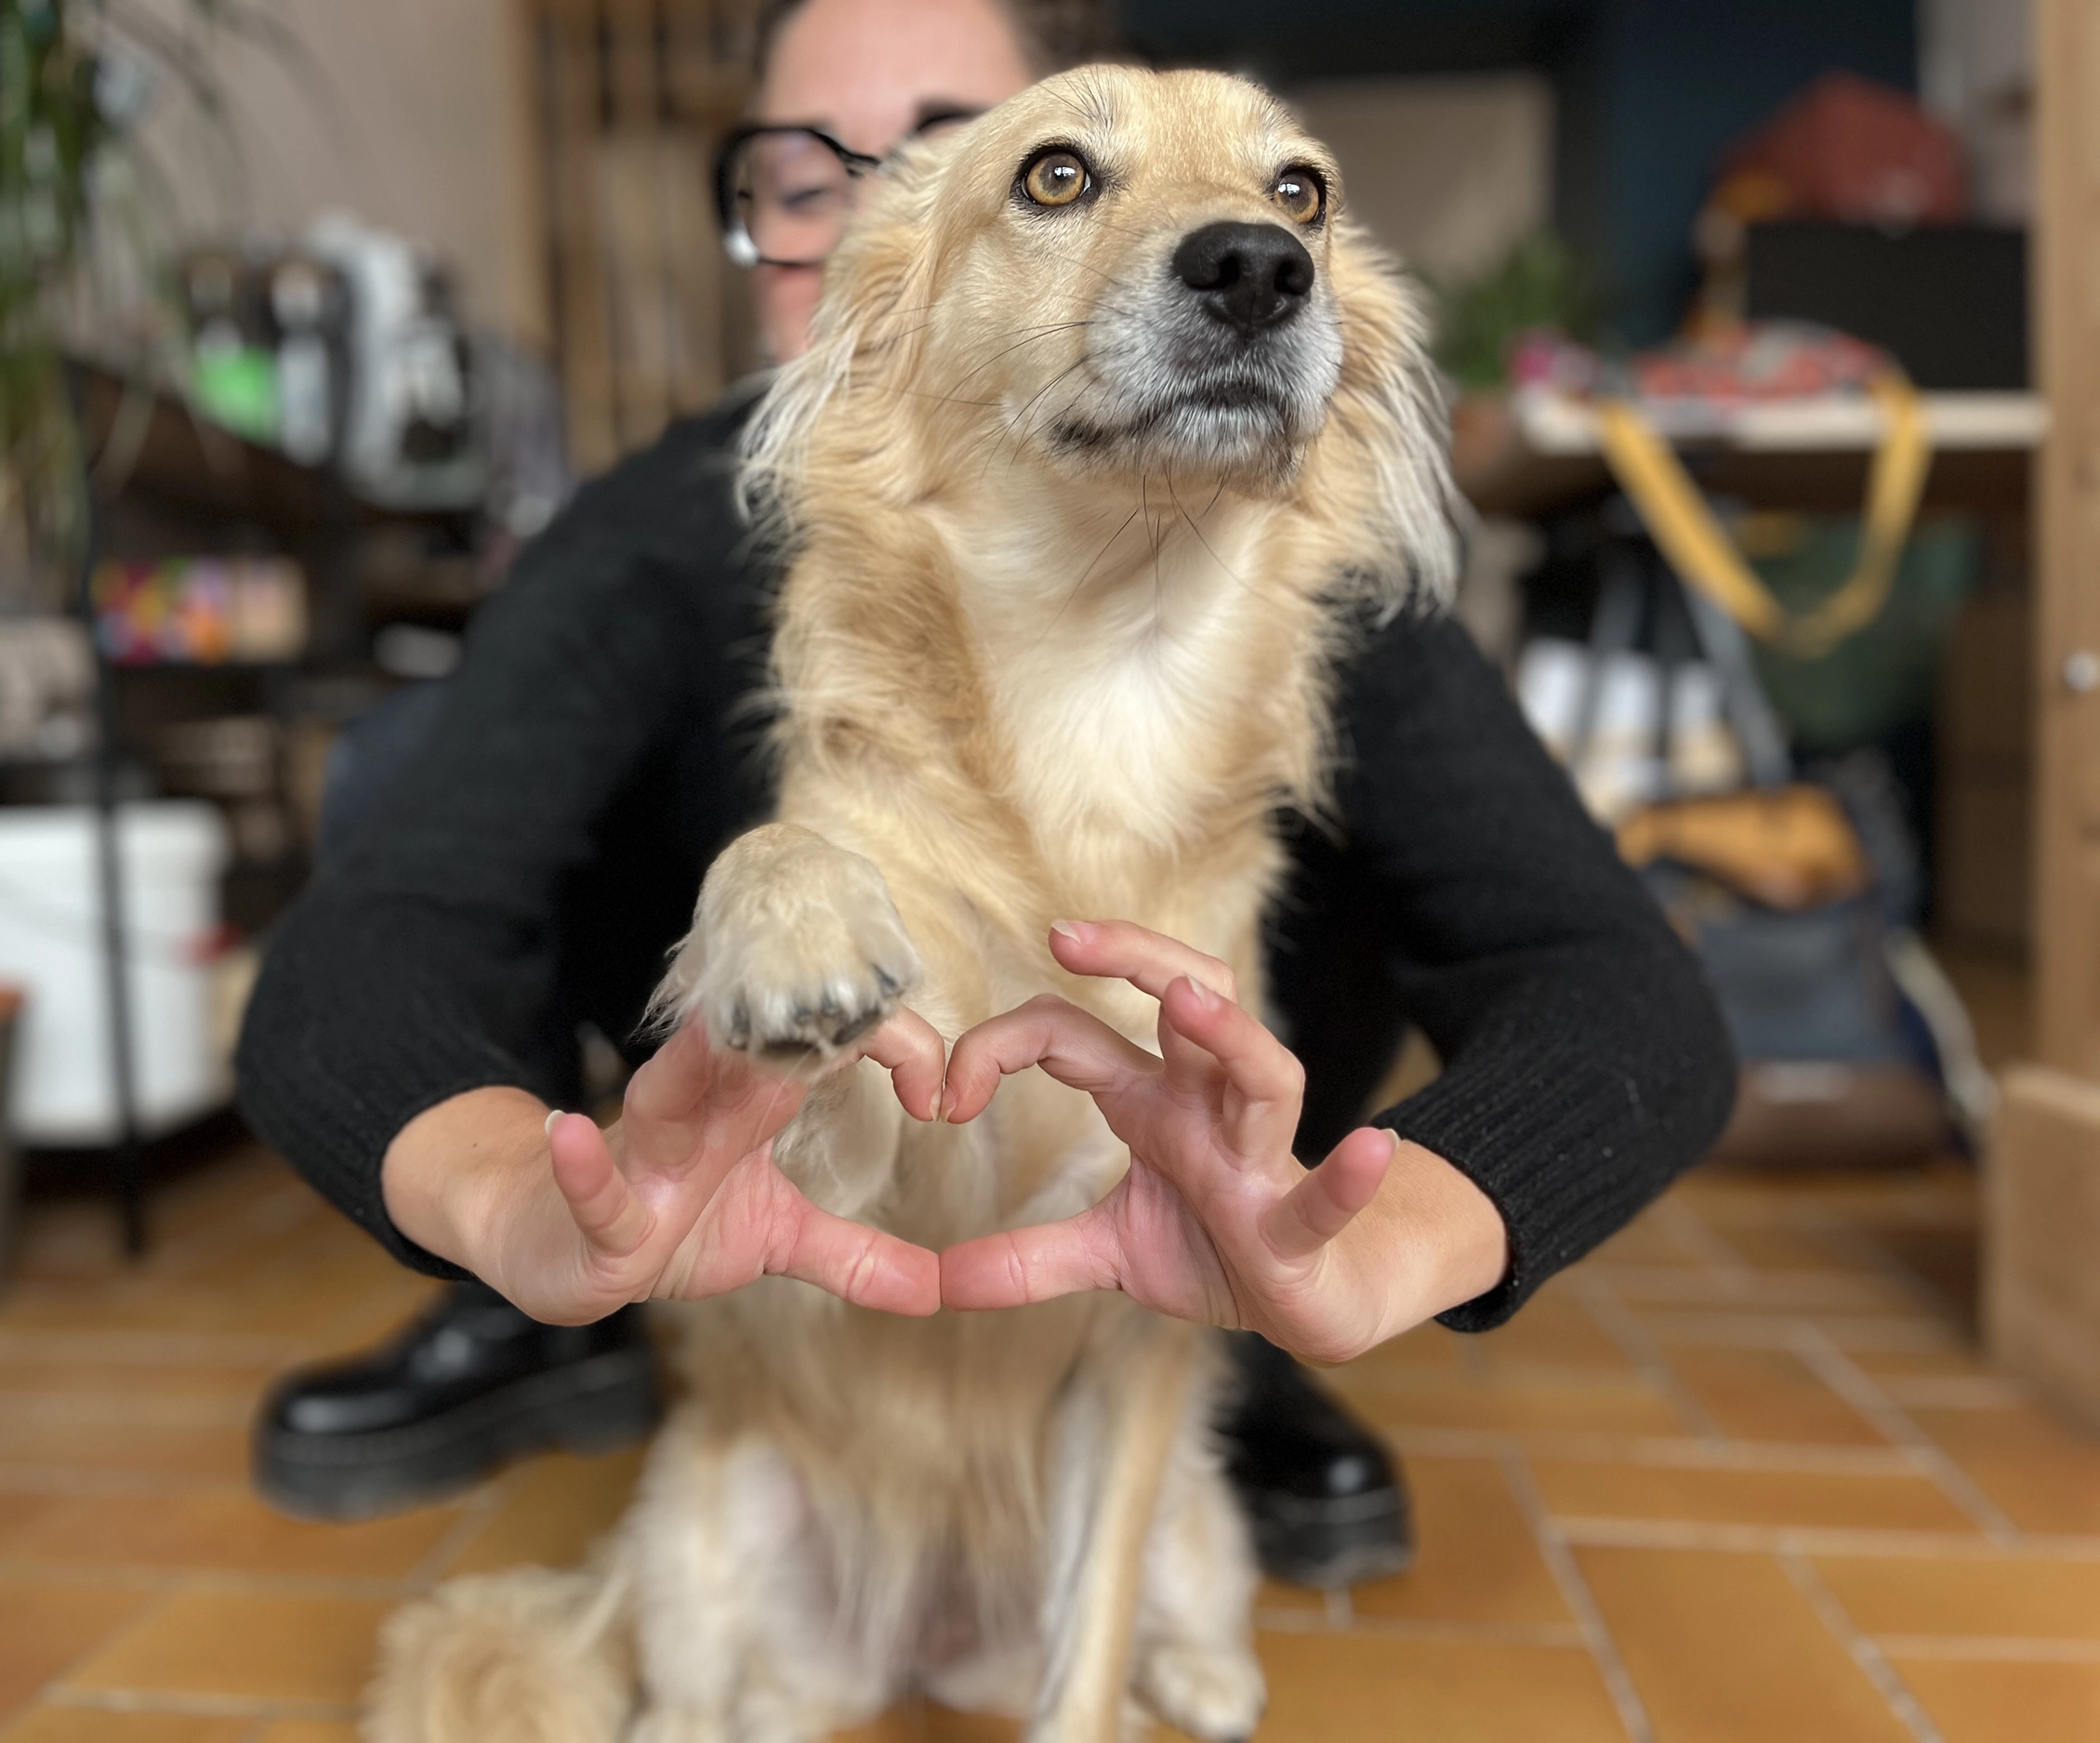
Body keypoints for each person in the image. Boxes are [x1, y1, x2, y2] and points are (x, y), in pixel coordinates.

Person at [235, 0, 1735, 1594]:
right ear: (876, 287)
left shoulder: (1301, 530)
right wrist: (519, 1206)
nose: (1231, 252)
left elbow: (1621, 988)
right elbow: (369, 953)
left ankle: (1234, 1305)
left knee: (1357, 809)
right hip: (784, 1200)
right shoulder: (664, 520)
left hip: (1181, 1190)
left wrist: (1376, 1242)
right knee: (416, 762)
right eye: (808, 180)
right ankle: (530, 1309)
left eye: (982, 149)